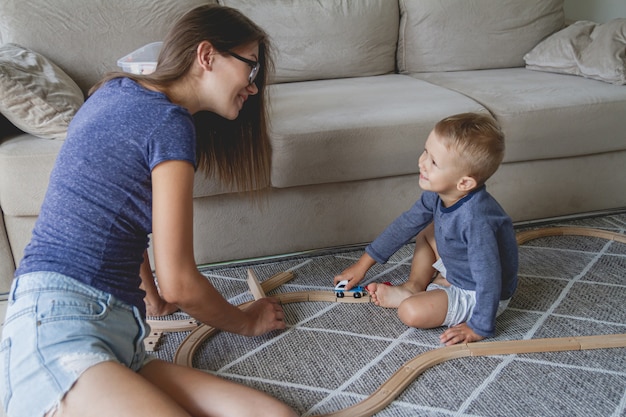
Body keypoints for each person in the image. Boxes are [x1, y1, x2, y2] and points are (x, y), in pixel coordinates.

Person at [0, 5, 298, 417]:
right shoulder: (169, 125)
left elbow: (120, 213)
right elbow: (181, 284)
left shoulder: (115, 89)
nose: (253, 87)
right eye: (251, 70)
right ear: (207, 56)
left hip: (118, 336)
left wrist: (152, 300)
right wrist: (245, 322)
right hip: (57, 329)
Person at [334, 112, 518, 346]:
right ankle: (414, 286)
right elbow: (405, 225)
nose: (421, 162)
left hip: (478, 293)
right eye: (425, 151)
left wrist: (479, 327)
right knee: (427, 229)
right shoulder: (438, 194)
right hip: (460, 269)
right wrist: (362, 265)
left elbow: (489, 279)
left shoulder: (477, 221)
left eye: (434, 162)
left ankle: (427, 293)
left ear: (464, 183)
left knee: (410, 312)